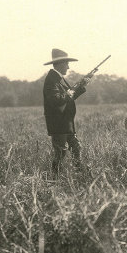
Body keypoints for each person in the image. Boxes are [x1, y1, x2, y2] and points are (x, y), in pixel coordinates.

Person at [43, 48, 90, 178]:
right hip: (58, 124)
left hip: (65, 123)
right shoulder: (51, 79)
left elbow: (68, 98)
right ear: (59, 64)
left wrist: (81, 87)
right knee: (60, 152)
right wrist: (67, 93)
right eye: (66, 64)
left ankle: (79, 174)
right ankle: (54, 179)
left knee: (76, 147)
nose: (68, 67)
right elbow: (55, 100)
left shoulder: (58, 78)